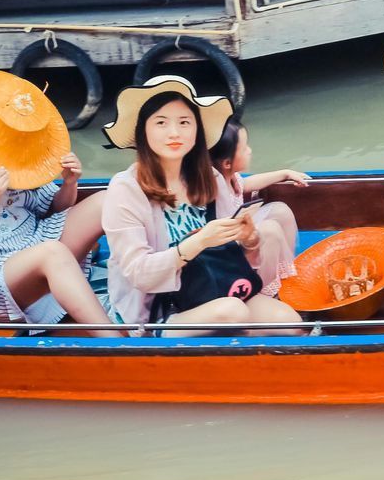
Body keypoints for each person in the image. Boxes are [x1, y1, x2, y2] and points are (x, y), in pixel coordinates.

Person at [0, 68, 121, 336]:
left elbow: (53, 208)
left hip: (36, 241)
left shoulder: (25, 159)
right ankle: (114, 339)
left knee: (108, 200)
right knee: (53, 253)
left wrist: (70, 183)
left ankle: (150, 282)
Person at [101, 76, 302, 334]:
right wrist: (198, 242)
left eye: (184, 122)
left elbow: (234, 257)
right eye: (161, 122)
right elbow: (139, 274)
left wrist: (249, 241)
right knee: (234, 313)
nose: (174, 133)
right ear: (143, 131)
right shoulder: (125, 189)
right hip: (158, 311)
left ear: (197, 130)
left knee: (291, 324)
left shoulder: (212, 178)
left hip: (215, 288)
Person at [208, 115, 307, 297]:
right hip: (228, 247)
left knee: (281, 211)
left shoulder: (231, 178)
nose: (250, 151)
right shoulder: (216, 184)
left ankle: (283, 273)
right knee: (271, 230)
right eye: (244, 148)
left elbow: (247, 184)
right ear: (227, 163)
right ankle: (264, 290)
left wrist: (284, 173)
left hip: (241, 233)